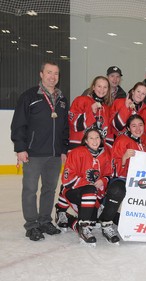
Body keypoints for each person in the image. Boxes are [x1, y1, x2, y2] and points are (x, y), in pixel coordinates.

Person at [11, 61, 69, 241]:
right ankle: (31, 225)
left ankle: (44, 220)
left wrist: (63, 149)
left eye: (56, 74)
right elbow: (18, 124)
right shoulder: (29, 96)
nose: (53, 77)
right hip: (33, 153)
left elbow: (65, 128)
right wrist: (20, 148)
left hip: (54, 154)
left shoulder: (62, 99)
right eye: (49, 72)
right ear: (41, 74)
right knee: (30, 189)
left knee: (49, 189)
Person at [57, 128, 113, 245]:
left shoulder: (106, 154)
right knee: (90, 190)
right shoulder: (76, 152)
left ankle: (69, 219)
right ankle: (82, 226)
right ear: (86, 141)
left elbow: (109, 174)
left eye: (97, 137)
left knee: (92, 223)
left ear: (101, 139)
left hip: (92, 195)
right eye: (91, 138)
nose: (94, 140)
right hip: (75, 192)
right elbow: (67, 179)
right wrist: (89, 185)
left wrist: (103, 180)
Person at [69, 76, 113, 149]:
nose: (102, 89)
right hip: (79, 148)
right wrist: (91, 112)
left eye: (105, 87)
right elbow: (74, 125)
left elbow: (109, 134)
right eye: (99, 86)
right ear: (93, 87)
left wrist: (107, 151)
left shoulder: (106, 108)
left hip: (98, 152)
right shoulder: (80, 100)